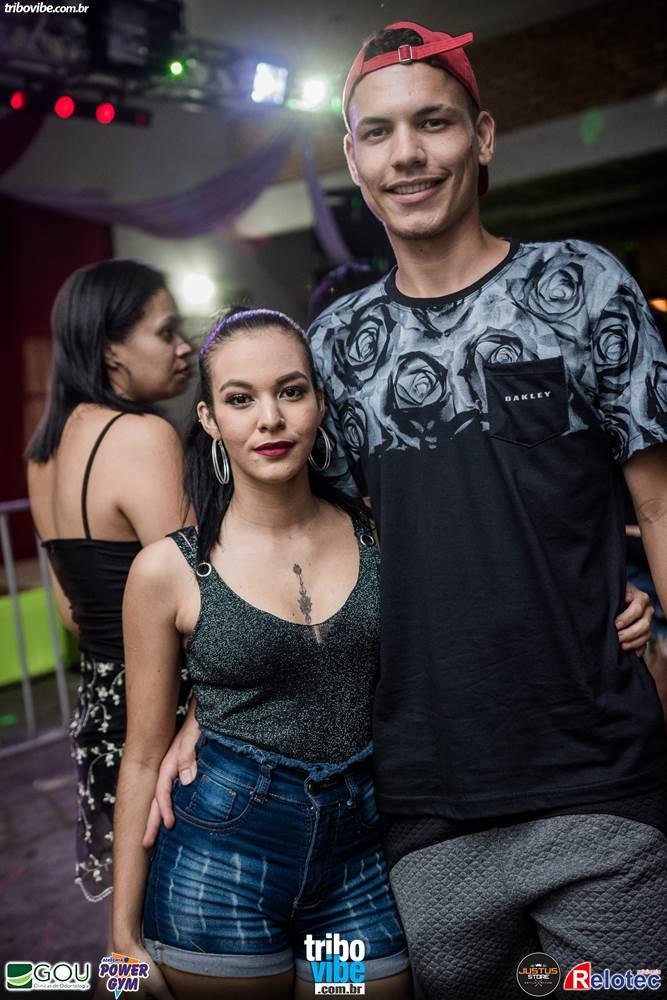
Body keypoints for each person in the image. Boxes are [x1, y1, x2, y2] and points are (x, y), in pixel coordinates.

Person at [307, 21, 667, 997]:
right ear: (352, 159)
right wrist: (202, 712)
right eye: (377, 132)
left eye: (432, 122)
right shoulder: (334, 346)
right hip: (423, 797)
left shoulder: (582, 286)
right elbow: (309, 552)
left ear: (483, 135)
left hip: (599, 780)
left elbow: (659, 510)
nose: (406, 153)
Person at [112, 309, 412, 1000]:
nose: (269, 419)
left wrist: (611, 603)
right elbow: (143, 755)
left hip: (356, 863)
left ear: (319, 402)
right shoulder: (168, 570)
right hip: (221, 868)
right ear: (210, 419)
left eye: (290, 391)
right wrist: (121, 939)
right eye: (240, 399)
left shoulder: (378, 532)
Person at [25, 258, 194, 903]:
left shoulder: (42, 455)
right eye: (165, 331)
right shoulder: (142, 436)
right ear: (110, 349)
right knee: (209, 920)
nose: (184, 347)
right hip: (166, 716)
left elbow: (71, 612)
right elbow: (205, 601)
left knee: (141, 915)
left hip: (100, 715)